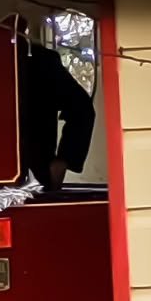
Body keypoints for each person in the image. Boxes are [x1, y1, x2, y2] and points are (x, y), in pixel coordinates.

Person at [17, 24, 95, 193]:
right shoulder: (42, 60)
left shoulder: (42, 61)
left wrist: (63, 160)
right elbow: (82, 108)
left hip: (31, 172)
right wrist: (64, 159)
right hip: (35, 171)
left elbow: (82, 108)